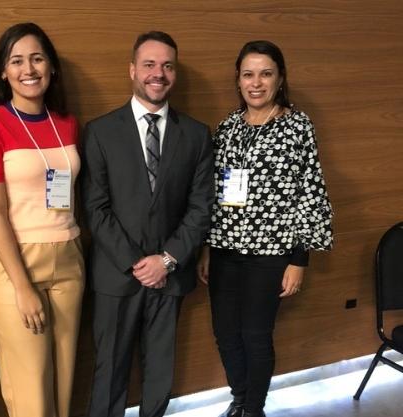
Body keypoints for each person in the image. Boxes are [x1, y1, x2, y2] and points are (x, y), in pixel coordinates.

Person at [81, 31, 214, 417]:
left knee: (159, 375)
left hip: (170, 276)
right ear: (132, 70)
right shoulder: (101, 131)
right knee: (109, 375)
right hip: (117, 277)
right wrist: (138, 264)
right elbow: (96, 207)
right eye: (150, 64)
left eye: (168, 66)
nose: (159, 73)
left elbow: (200, 207)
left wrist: (167, 260)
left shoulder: (196, 134)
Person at [198, 40, 334, 417]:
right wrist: (208, 248)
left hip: (272, 254)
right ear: (238, 80)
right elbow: (215, 192)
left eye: (265, 73)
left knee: (255, 337)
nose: (256, 82)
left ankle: (253, 410)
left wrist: (299, 258)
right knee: (225, 335)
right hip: (225, 251)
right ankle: (240, 398)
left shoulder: (297, 125)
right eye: (248, 74)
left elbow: (311, 191)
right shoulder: (227, 127)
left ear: (280, 78)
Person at [0, 22, 84, 417]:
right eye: (16, 61)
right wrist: (21, 285)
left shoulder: (65, 122)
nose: (28, 69)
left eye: (36, 58)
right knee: (31, 391)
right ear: (3, 71)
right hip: (16, 261)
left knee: (63, 384)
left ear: (51, 67)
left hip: (69, 256)